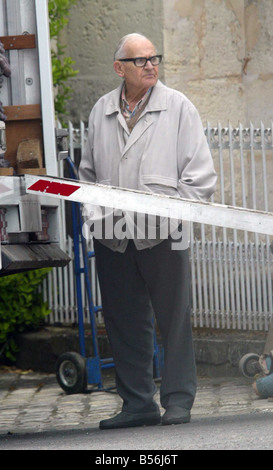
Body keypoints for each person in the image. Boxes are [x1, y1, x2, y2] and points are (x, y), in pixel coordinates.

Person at [79, 33, 217, 429]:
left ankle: (177, 400)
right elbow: (88, 174)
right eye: (141, 60)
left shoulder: (177, 107)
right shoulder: (102, 109)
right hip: (112, 232)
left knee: (174, 318)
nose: (151, 65)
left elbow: (200, 174)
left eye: (155, 58)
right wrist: (94, 216)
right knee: (123, 319)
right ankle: (137, 403)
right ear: (119, 67)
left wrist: (176, 215)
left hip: (164, 232)